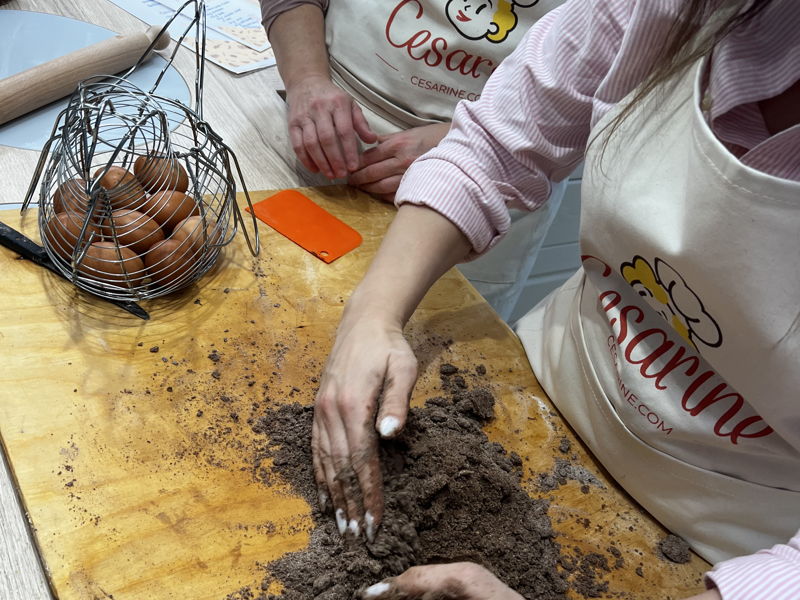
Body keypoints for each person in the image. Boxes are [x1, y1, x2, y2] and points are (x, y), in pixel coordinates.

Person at [308, 0, 800, 598]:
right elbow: (495, 145)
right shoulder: (674, 10)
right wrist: (372, 317)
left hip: (715, 539)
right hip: (545, 391)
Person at [261, 0, 569, 320]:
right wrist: (307, 78)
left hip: (497, 167)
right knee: (278, 305)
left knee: (435, 341)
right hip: (328, 124)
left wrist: (470, 143)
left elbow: (611, 97)